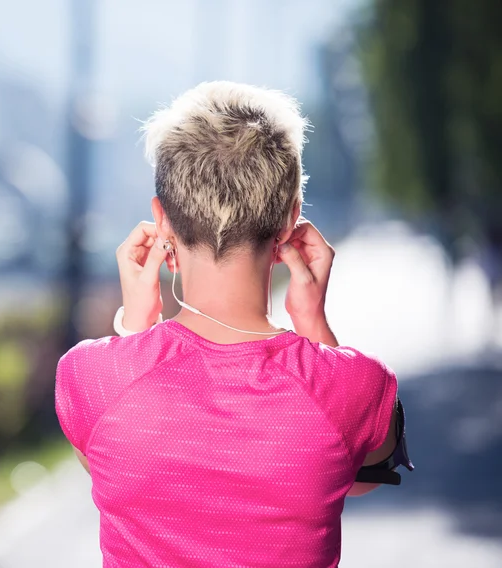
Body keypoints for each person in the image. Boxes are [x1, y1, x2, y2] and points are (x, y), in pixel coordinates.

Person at [55, 81, 412, 567]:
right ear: (290, 220)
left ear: (162, 222)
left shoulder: (89, 378)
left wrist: (136, 329)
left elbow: (105, 462)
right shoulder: (356, 386)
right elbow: (363, 475)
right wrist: (312, 322)